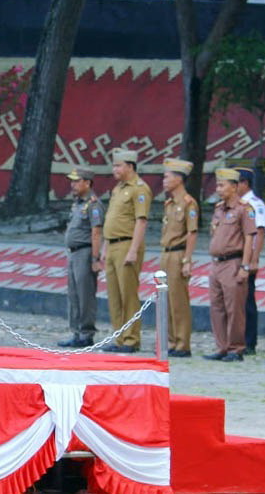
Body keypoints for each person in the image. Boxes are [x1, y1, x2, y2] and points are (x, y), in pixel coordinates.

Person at [100, 148, 152, 353]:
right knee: (114, 295)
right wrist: (105, 246)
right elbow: (111, 219)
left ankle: (131, 338)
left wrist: (133, 250)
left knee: (128, 294)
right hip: (112, 245)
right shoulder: (118, 189)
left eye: (118, 165)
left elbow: (141, 221)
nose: (114, 169)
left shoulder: (140, 189)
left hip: (127, 245)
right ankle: (119, 337)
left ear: (130, 166)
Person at [204, 168, 257, 362]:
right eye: (217, 185)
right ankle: (222, 346)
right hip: (216, 263)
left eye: (222, 185)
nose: (218, 189)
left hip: (233, 262)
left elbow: (250, 238)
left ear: (234, 187)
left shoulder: (244, 209)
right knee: (217, 307)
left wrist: (245, 266)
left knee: (234, 308)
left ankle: (236, 348)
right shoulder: (219, 208)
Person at [58, 167, 105, 347]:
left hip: (85, 252)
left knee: (85, 295)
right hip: (73, 252)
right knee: (74, 294)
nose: (73, 185)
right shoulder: (77, 203)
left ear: (88, 183)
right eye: (72, 181)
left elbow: (96, 232)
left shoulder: (93, 205)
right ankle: (76, 331)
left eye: (77, 181)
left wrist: (95, 258)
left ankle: (86, 333)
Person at [160, 158, 199, 357]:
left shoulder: (188, 204)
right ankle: (171, 340)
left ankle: (182, 343)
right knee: (165, 300)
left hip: (178, 254)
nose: (164, 181)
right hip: (165, 253)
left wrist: (187, 260)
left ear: (178, 179)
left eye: (167, 177)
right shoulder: (169, 203)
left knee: (178, 301)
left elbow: (192, 233)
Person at [234, 167, 265, 354]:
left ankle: (249, 341)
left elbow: (259, 233)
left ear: (244, 184)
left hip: (248, 258)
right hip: (236, 257)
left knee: (247, 301)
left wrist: (254, 260)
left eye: (234, 182)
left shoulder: (255, 204)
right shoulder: (236, 204)